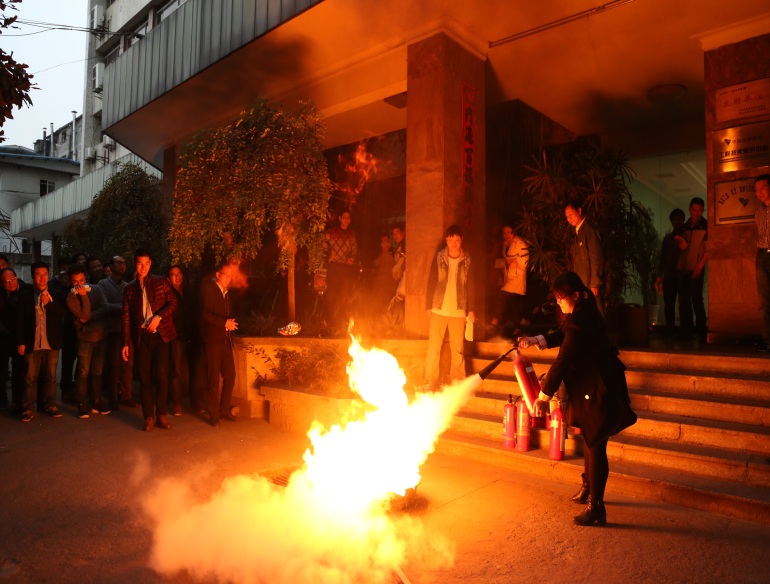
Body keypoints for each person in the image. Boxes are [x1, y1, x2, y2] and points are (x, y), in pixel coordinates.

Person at [519, 271, 635, 526]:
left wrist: (543, 395)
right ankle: (588, 487)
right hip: (593, 384)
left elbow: (563, 360)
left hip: (598, 387)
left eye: (561, 297)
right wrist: (536, 340)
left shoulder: (579, 320)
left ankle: (597, 507)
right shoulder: (582, 310)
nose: (558, 302)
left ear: (574, 295)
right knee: (591, 440)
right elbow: (564, 334)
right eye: (556, 297)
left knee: (596, 444)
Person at [121, 248, 177, 431]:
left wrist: (159, 317)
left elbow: (173, 302)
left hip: (161, 335)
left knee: (162, 376)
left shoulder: (161, 282)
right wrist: (125, 342)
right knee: (145, 378)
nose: (143, 267)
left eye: (146, 263)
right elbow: (126, 316)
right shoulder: (129, 288)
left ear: (150, 263)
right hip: (142, 336)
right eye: (140, 263)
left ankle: (161, 414)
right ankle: (149, 417)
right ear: (135, 264)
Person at [424, 224, 475, 388]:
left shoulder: (467, 260)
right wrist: (428, 305)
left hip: (459, 310)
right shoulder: (439, 257)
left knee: (458, 348)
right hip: (439, 307)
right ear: (446, 239)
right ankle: (430, 379)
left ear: (462, 240)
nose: (454, 243)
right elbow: (431, 280)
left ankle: (457, 380)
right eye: (451, 239)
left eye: (457, 240)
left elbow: (471, 285)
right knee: (434, 346)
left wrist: (471, 310)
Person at [16, 261, 68, 422]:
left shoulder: (56, 293)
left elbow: (64, 312)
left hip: (51, 342)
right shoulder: (25, 296)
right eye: (38, 274)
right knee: (29, 377)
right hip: (32, 341)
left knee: (50, 377)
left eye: (45, 274)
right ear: (33, 276)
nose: (42, 277)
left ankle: (49, 405)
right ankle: (28, 407)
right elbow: (19, 321)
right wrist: (20, 342)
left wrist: (49, 304)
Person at [66, 264, 110, 418]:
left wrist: (88, 318)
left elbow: (105, 308)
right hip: (84, 338)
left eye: (81, 280)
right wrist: (83, 296)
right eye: (75, 281)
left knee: (97, 371)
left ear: (85, 278)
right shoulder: (71, 298)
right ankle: (81, 403)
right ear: (71, 282)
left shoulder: (96, 289)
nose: (79, 285)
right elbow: (83, 315)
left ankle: (96, 400)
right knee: (83, 372)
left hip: (101, 335)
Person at [200, 262, 238, 427]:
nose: (228, 278)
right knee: (213, 379)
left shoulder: (226, 294)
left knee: (230, 375)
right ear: (217, 275)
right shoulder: (209, 289)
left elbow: (227, 315)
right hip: (213, 341)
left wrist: (230, 325)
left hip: (225, 341)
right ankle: (214, 414)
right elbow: (205, 313)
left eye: (230, 276)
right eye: (225, 275)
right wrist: (224, 323)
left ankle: (223, 410)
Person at [99, 256, 135, 409]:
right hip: (111, 330)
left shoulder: (128, 285)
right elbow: (104, 306)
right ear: (111, 266)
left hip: (127, 331)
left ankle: (126, 396)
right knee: (113, 366)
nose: (122, 265)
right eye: (118, 263)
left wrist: (122, 309)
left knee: (128, 365)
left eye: (124, 263)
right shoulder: (103, 284)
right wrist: (124, 309)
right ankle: (113, 398)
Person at [674, 197, 708, 342]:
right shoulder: (683, 227)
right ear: (689, 209)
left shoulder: (706, 225)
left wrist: (700, 266)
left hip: (696, 267)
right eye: (694, 209)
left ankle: (701, 333)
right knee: (683, 301)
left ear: (702, 211)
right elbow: (678, 244)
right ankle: (685, 332)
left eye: (699, 210)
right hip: (682, 267)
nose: (696, 213)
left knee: (697, 299)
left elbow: (709, 248)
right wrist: (680, 241)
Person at [564, 200, 604, 310]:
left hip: (590, 286)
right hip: (581, 285)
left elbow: (596, 257)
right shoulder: (578, 233)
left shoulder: (589, 230)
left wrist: (595, 284)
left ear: (579, 211)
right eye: (567, 217)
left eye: (571, 215)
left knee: (596, 313)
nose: (569, 219)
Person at [490, 225, 528, 337]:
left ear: (514, 232)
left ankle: (495, 321)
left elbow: (525, 260)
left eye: (508, 232)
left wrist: (514, 261)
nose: (506, 235)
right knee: (513, 302)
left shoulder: (520, 243)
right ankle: (517, 327)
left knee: (503, 295)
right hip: (509, 276)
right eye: (504, 232)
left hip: (517, 277)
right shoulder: (506, 244)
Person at [324, 209, 358, 333]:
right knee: (331, 294)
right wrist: (328, 253)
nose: (346, 220)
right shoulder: (331, 231)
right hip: (333, 267)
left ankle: (341, 323)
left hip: (345, 268)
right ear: (340, 218)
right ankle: (330, 322)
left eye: (348, 218)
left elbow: (354, 249)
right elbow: (323, 244)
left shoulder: (351, 234)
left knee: (343, 296)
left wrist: (352, 258)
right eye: (344, 217)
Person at [655, 208, 686, 335]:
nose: (677, 222)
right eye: (674, 219)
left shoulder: (686, 237)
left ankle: (684, 331)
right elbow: (663, 257)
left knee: (683, 304)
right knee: (669, 304)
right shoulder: (668, 238)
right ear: (671, 221)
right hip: (669, 275)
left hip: (682, 275)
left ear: (683, 220)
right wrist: (659, 274)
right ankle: (670, 329)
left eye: (679, 219)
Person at [167, 265, 193, 415]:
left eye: (179, 273)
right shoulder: (169, 293)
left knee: (193, 370)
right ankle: (176, 401)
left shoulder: (189, 291)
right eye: (173, 274)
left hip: (191, 334)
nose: (177, 277)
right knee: (176, 370)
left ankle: (195, 401)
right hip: (176, 336)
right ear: (169, 278)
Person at [0, 267, 25, 413]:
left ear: (16, 277)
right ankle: (2, 398)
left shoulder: (25, 290)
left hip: (19, 337)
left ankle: (18, 400)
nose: (10, 283)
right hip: (3, 337)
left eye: (12, 279)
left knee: (19, 370)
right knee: (2, 370)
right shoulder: (1, 294)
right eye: (6, 281)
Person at [754, 174, 770, 353]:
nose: (759, 192)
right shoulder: (758, 213)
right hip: (761, 255)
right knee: (764, 302)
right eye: (756, 190)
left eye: (763, 188)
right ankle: (767, 340)